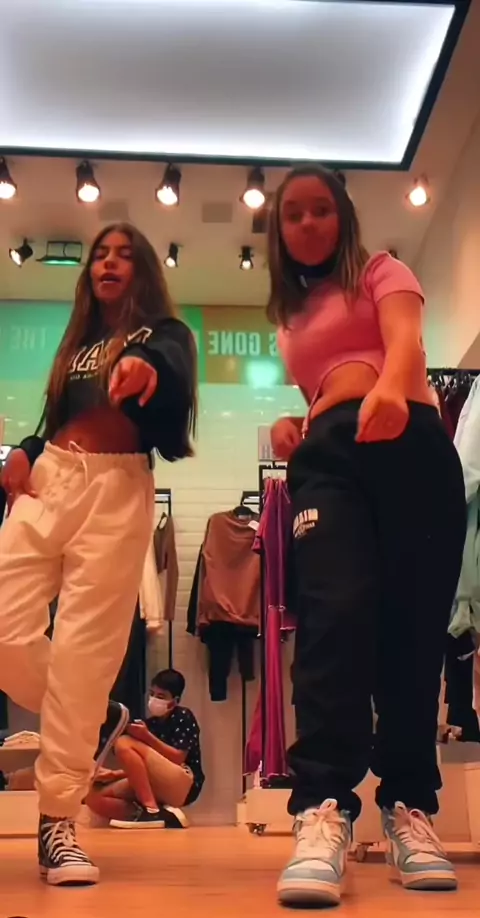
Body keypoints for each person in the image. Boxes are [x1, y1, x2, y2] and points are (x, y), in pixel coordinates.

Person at [267, 166, 466, 908]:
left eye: (321, 209)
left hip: (411, 441)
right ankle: (322, 808)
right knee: (334, 617)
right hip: (329, 460)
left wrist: (387, 388)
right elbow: (325, 384)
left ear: (344, 216)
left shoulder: (384, 269)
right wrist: (300, 419)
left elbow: (403, 344)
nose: (308, 222)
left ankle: (410, 806)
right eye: (293, 213)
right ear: (279, 229)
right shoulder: (291, 316)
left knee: (413, 631)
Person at [0, 224, 197, 886]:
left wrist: (149, 369)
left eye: (123, 255)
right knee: (7, 629)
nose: (108, 262)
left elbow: (172, 375)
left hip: (118, 491)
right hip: (51, 477)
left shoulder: (165, 334)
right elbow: (56, 419)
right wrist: (25, 448)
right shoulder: (78, 341)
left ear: (143, 270)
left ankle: (58, 821)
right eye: (100, 255)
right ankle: (95, 715)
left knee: (85, 653)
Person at [86, 669, 204, 828]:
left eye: (161, 696)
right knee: (94, 798)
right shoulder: (150, 723)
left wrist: (147, 736)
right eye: (152, 694)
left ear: (174, 701)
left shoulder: (183, 716)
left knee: (123, 742)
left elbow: (178, 758)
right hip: (157, 782)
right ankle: (157, 815)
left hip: (184, 783)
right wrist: (114, 774)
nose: (154, 699)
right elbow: (142, 767)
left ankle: (151, 810)